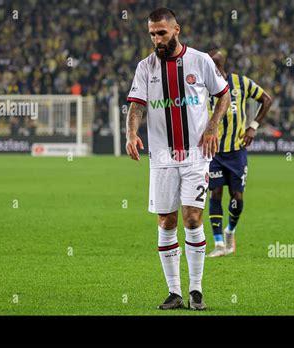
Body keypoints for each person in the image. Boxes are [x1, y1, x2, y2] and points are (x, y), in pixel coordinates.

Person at [125, 8, 230, 310]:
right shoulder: (146, 67)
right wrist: (131, 134)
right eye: (152, 34)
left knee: (193, 217)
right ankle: (174, 292)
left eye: (161, 33)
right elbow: (135, 106)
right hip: (161, 157)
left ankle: (196, 289)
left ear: (176, 30)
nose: (156, 39)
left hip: (196, 156)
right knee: (166, 220)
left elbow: (223, 95)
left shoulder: (201, 61)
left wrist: (212, 127)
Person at [206, 48, 272, 257]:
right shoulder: (201, 86)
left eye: (216, 64)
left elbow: (266, 99)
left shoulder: (240, 83)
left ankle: (229, 232)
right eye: (210, 64)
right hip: (213, 152)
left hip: (236, 152)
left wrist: (253, 126)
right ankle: (218, 244)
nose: (213, 68)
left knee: (237, 196)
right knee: (215, 193)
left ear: (222, 65)